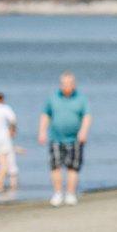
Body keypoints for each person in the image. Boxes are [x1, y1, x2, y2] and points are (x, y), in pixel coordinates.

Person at [39, 72, 91, 207]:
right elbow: (45, 115)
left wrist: (83, 132)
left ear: (74, 84)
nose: (67, 86)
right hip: (56, 137)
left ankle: (70, 193)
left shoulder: (81, 99)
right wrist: (42, 132)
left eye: (69, 83)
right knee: (55, 165)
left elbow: (87, 116)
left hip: (75, 139)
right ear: (60, 84)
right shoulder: (53, 98)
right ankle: (57, 193)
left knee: (73, 167)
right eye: (64, 83)